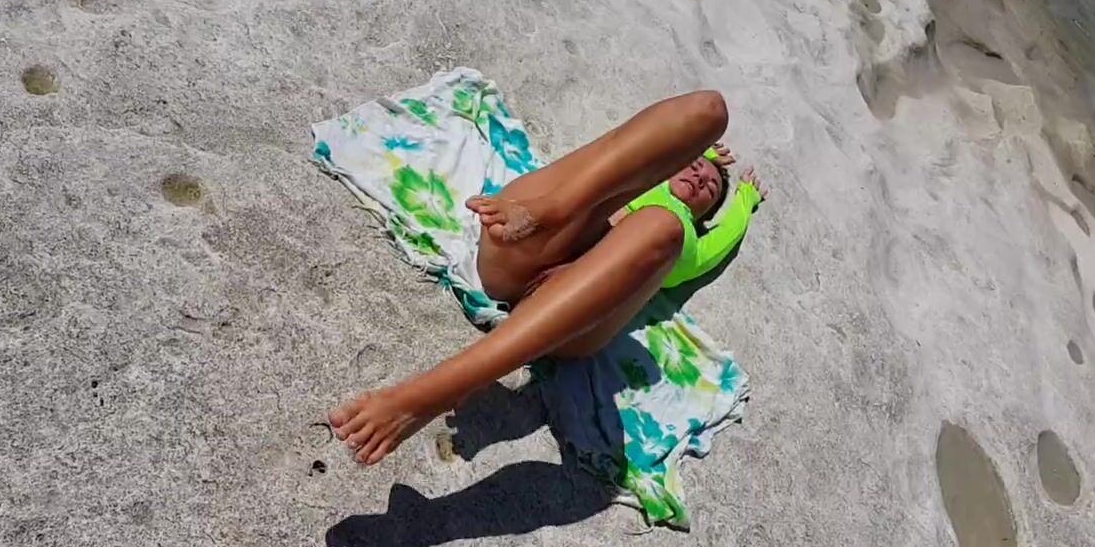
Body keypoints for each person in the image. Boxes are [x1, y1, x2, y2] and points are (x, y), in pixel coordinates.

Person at [329, 90, 768, 465]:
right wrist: (701, 148)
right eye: (694, 167)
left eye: (710, 189)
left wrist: (743, 201)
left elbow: (719, 239)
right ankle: (555, 206)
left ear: (704, 216)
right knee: (709, 110)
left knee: (661, 226)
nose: (701, 179)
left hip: (572, 318)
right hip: (538, 236)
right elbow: (663, 141)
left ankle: (440, 389)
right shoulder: (639, 186)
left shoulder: (682, 237)